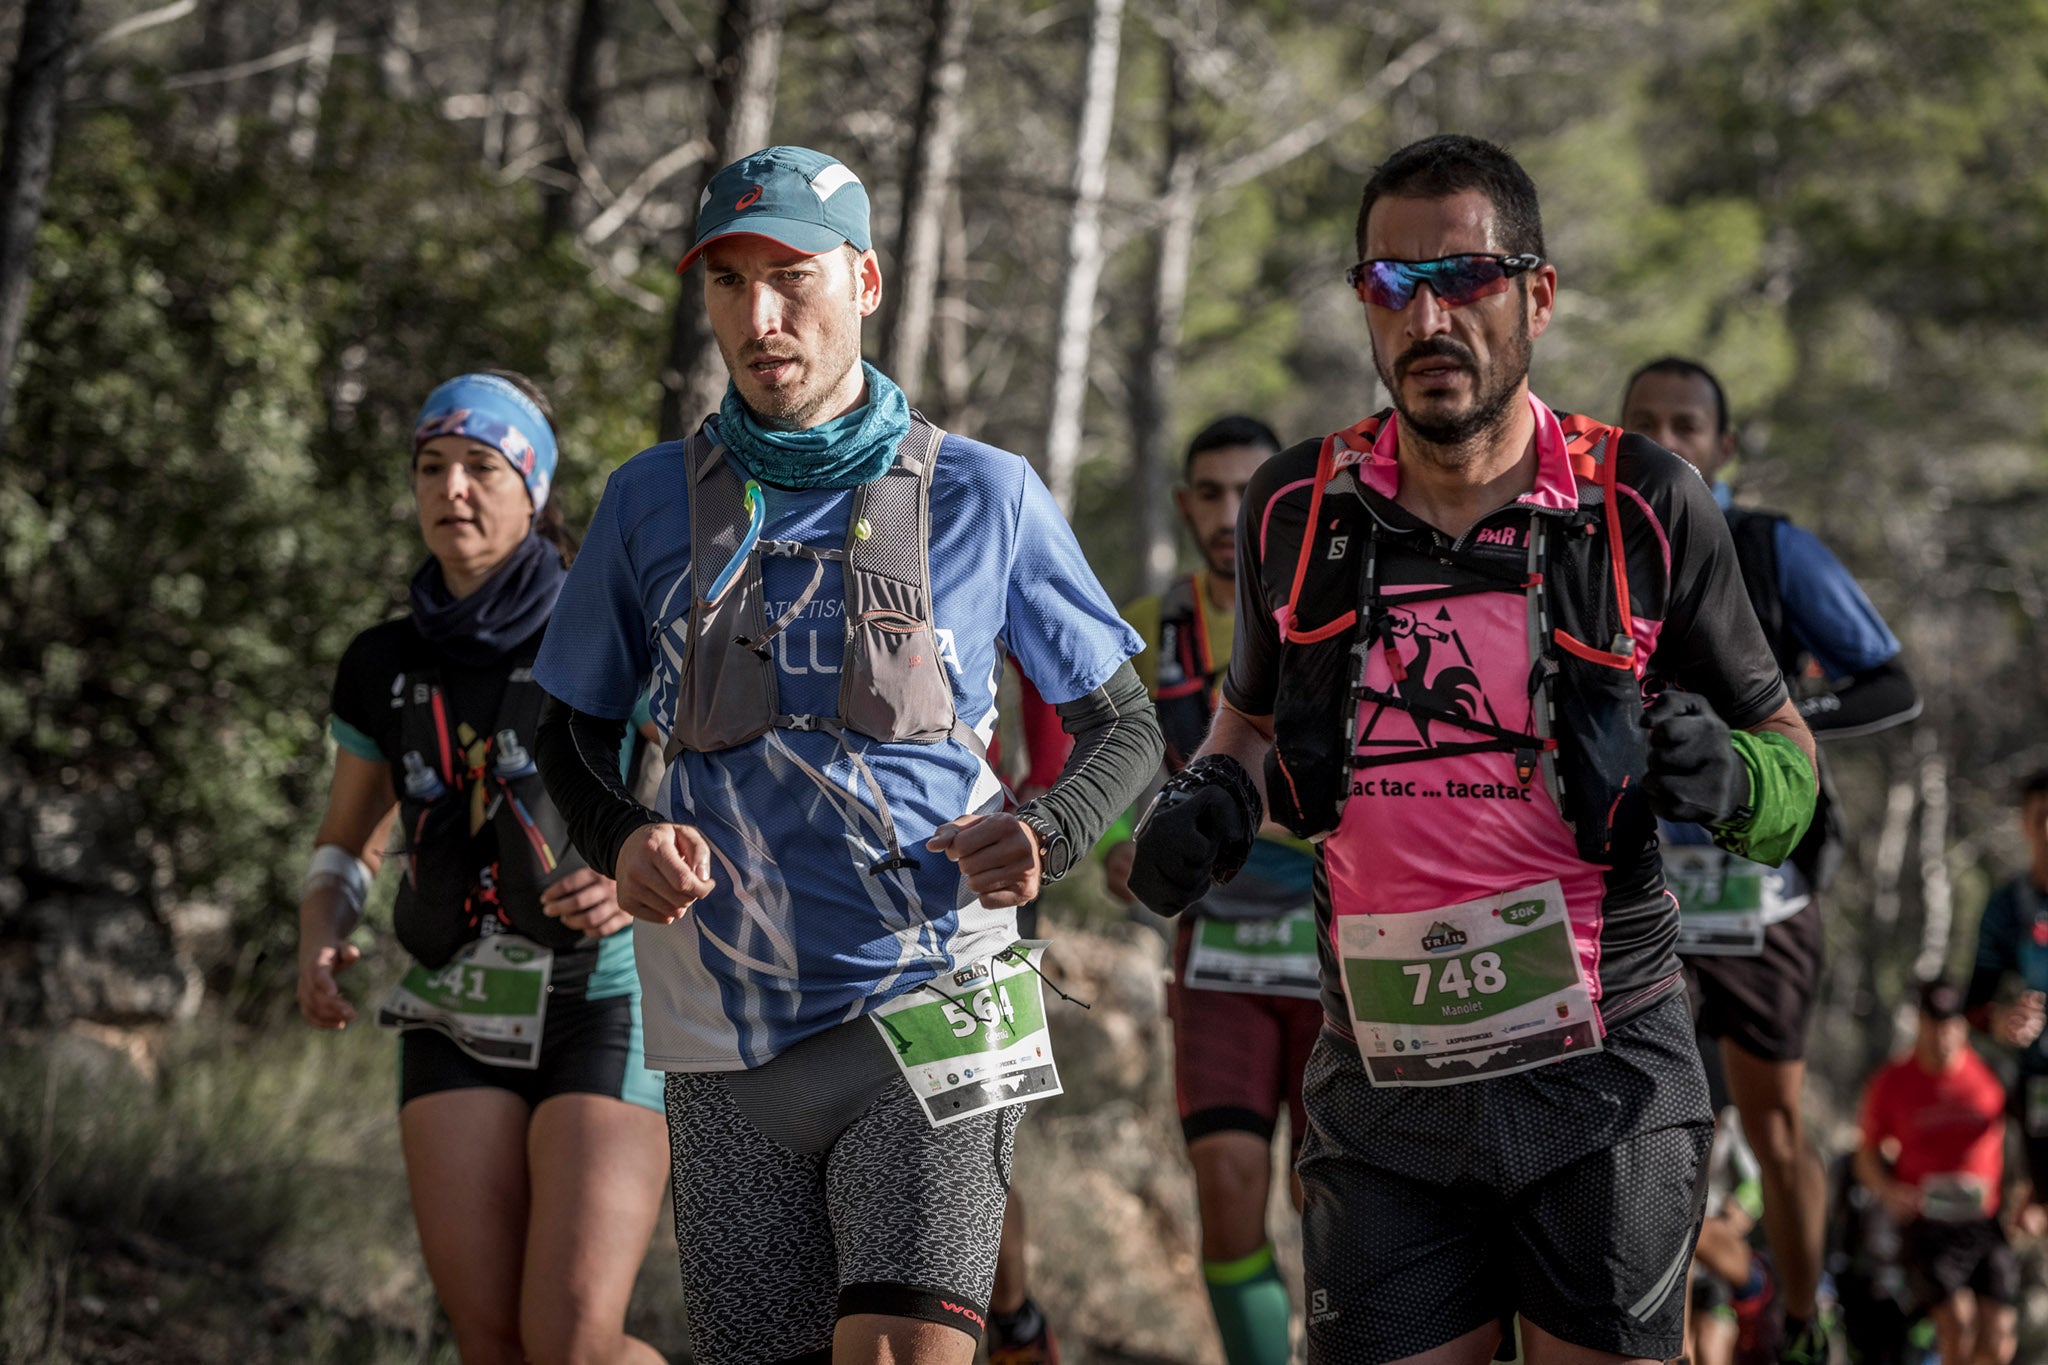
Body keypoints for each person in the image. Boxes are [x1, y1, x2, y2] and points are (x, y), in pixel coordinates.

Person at [1128, 133, 1820, 1364]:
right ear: (1362, 304)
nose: (1427, 315)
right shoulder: (1296, 505)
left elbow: (1789, 766)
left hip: (1602, 1079)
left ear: (1536, 296)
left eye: (1463, 278)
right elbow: (1240, 719)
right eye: (1392, 285)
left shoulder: (1643, 503)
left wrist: (1733, 780)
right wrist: (1205, 803)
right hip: (1383, 1086)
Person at [527, 146, 1162, 1365]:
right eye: (727, 284)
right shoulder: (648, 502)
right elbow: (566, 726)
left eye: (791, 277)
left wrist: (1048, 829)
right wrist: (618, 836)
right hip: (723, 1024)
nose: (758, 317)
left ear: (864, 281)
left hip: (941, 998)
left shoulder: (988, 492)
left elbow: (1125, 727)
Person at [296, 371, 670, 1365]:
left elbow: (701, 804)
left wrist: (636, 876)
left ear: (533, 488)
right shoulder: (378, 661)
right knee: (491, 1345)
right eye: (431, 467)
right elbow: (347, 838)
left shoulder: (610, 633)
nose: (451, 489)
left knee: (575, 1343)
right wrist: (321, 932)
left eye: (480, 466)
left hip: (606, 1002)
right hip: (452, 1006)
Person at [1621, 356, 1921, 1363]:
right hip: (1633, 895)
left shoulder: (1768, 547)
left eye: (1687, 425)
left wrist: (1770, 730)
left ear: (1724, 446)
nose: (1666, 441)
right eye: (1644, 423)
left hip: (1761, 897)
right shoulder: (1584, 546)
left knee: (1775, 1127)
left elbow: (1887, 685)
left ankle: (1801, 1320)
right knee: (1637, 1133)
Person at [1098, 415, 1316, 1365]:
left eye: (1250, 491)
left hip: (1339, 955)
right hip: (1217, 954)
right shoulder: (1149, 630)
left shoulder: (1329, 611)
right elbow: (1105, 758)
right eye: (1212, 494)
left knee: (1339, 1200)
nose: (1232, 514)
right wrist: (1112, 839)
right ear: (1186, 506)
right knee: (1228, 1186)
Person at [1855, 980, 2019, 1365]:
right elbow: (1866, 1154)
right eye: (1933, 1022)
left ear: (1963, 1025)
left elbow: (2022, 1135)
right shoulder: (1892, 1082)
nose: (1942, 1034)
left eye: (1950, 1023)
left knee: (1998, 1339)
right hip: (1927, 1225)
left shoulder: (1993, 1073)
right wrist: (1887, 1191)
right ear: (1919, 1023)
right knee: (1957, 1325)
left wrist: (2028, 1196)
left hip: (1983, 1221)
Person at [1964, 768, 2048, 1226]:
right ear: (2025, 823)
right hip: (2038, 1082)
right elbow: (1973, 1004)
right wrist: (2002, 1021)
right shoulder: (2010, 906)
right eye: (2042, 817)